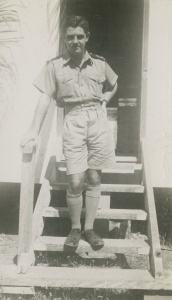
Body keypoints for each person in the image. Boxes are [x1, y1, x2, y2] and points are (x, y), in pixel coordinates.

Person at [21, 15, 118, 249]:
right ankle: (75, 228)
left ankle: (89, 229)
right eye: (70, 37)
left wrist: (105, 98)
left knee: (94, 176)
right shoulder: (54, 66)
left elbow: (114, 83)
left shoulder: (100, 63)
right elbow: (45, 98)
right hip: (73, 120)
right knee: (76, 178)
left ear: (87, 38)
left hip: (97, 121)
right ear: (65, 39)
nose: (75, 41)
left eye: (79, 37)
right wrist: (33, 131)